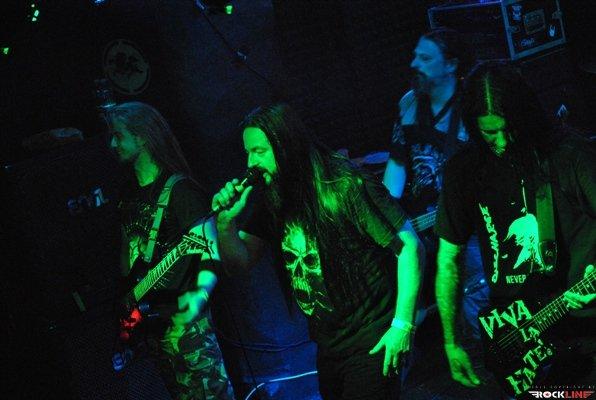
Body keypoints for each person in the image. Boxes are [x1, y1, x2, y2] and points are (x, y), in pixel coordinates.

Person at [212, 104, 423, 399]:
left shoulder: (344, 185)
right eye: (248, 152)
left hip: (373, 337)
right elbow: (239, 263)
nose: (251, 163)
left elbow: (410, 246)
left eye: (259, 151)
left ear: (286, 146)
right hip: (330, 347)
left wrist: (402, 326)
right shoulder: (273, 198)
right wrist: (225, 224)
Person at [435, 62, 595, 395]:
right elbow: (449, 258)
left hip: (585, 334)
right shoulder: (464, 171)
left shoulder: (570, 155)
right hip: (515, 337)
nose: (503, 142)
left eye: (510, 129)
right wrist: (451, 342)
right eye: (489, 133)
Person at [109, 102, 234, 400]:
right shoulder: (126, 196)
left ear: (141, 137)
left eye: (118, 135)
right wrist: (128, 298)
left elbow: (209, 252)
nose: (112, 144)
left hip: (185, 326)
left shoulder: (180, 190)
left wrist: (200, 294)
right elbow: (128, 256)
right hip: (150, 324)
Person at [383, 28, 486, 335]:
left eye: (426, 58)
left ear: (451, 64)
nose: (414, 63)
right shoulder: (408, 104)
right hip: (421, 227)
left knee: (475, 306)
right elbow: (397, 166)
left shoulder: (473, 108)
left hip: (468, 229)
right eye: (415, 55)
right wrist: (386, 217)